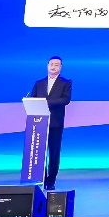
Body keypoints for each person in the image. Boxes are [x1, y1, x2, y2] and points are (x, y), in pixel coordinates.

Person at [31, 57, 72, 190]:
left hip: (55, 122)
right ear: (47, 66)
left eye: (56, 65)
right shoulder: (39, 83)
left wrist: (46, 103)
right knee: (39, 152)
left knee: (54, 152)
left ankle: (51, 180)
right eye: (51, 64)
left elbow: (66, 100)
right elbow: (33, 99)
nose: (53, 67)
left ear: (61, 67)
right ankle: (41, 178)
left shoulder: (65, 82)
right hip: (39, 123)